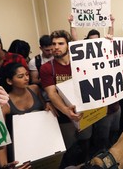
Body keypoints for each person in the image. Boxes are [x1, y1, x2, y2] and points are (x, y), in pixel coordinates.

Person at [69, 14, 120, 155]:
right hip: (93, 101)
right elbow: (75, 40)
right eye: (91, 41)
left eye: (96, 40)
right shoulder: (83, 53)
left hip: (108, 101)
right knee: (96, 135)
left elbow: (110, 37)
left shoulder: (104, 51)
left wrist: (111, 22)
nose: (93, 43)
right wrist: (72, 23)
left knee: (108, 133)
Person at [39, 30, 92, 168]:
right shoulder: (46, 68)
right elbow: (52, 93)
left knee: (86, 141)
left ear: (68, 45)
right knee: (70, 148)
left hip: (85, 112)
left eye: (60, 43)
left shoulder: (80, 62)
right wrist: (66, 111)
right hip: (63, 118)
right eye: (53, 44)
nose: (56, 47)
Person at [0, 62, 54, 168]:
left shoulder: (35, 89)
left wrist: (48, 105)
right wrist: (4, 165)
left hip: (41, 139)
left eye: (27, 74)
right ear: (9, 81)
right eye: (20, 76)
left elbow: (45, 108)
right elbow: (1, 137)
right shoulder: (5, 103)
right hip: (19, 147)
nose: (26, 78)